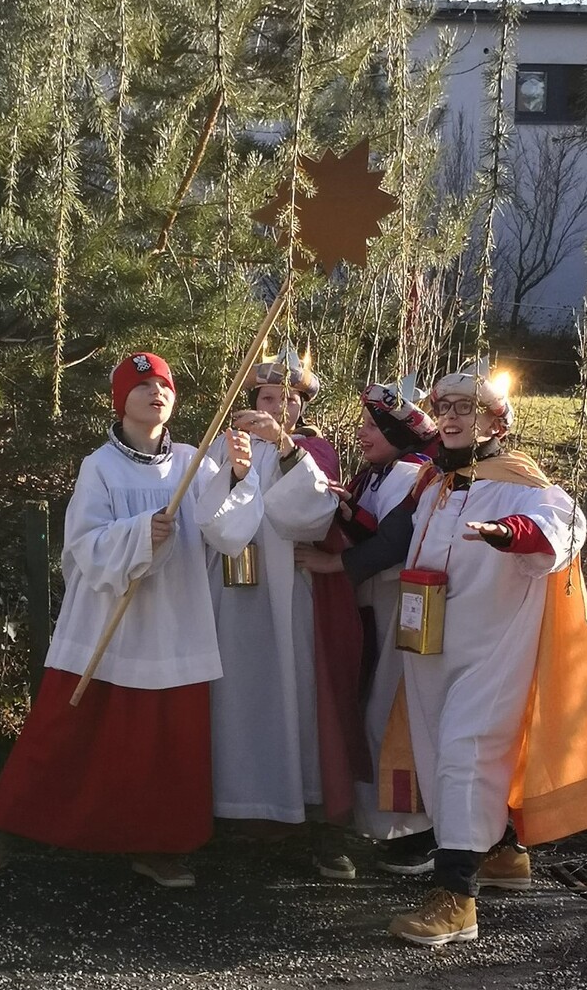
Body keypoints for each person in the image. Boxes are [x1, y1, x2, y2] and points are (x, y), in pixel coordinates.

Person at [350, 365, 587, 945]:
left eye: (467, 407)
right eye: (445, 407)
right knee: (441, 754)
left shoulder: (521, 482)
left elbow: (566, 524)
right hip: (430, 648)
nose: (452, 416)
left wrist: (513, 533)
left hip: (492, 651)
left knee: (466, 754)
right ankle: (503, 850)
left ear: (493, 422)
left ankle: (457, 900)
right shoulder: (435, 482)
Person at [0, 351, 263, 888]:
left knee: (166, 742)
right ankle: (2, 831)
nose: (157, 392)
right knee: (64, 730)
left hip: (174, 621)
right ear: (121, 400)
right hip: (108, 620)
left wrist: (239, 476)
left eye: (165, 386)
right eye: (143, 385)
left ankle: (159, 844)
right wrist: (140, 533)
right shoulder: (99, 466)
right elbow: (82, 546)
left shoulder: (194, 461)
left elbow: (226, 533)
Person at [207, 345, 368, 879]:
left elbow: (311, 516)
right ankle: (240, 811)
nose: (279, 407)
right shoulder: (225, 444)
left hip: (291, 592)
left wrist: (281, 447)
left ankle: (316, 820)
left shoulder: (313, 450)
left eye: (289, 399)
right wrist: (233, 473)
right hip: (232, 591)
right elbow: (207, 511)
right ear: (252, 401)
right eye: (269, 398)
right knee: (238, 692)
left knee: (297, 693)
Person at [295, 381, 440, 874]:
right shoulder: (377, 475)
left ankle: (415, 831)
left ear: (399, 434)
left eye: (372, 427)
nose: (362, 433)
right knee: (372, 709)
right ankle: (384, 823)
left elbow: (394, 540)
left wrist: (332, 564)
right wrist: (345, 508)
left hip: (401, 608)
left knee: (392, 713)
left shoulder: (414, 474)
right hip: (376, 607)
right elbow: (372, 526)